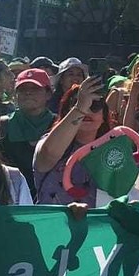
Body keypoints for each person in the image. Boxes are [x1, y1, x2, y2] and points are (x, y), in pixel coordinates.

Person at [33, 77, 110, 206]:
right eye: (77, 103)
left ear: (104, 117)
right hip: (55, 223)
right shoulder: (48, 141)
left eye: (95, 105)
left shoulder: (113, 149)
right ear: (66, 114)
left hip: (97, 223)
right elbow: (48, 153)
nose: (87, 110)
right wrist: (80, 107)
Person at [0, 68, 57, 199]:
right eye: (23, 89)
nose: (28, 93)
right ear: (15, 95)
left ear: (48, 94)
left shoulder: (59, 125)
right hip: (12, 198)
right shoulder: (1, 126)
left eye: (35, 89)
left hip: (51, 201)